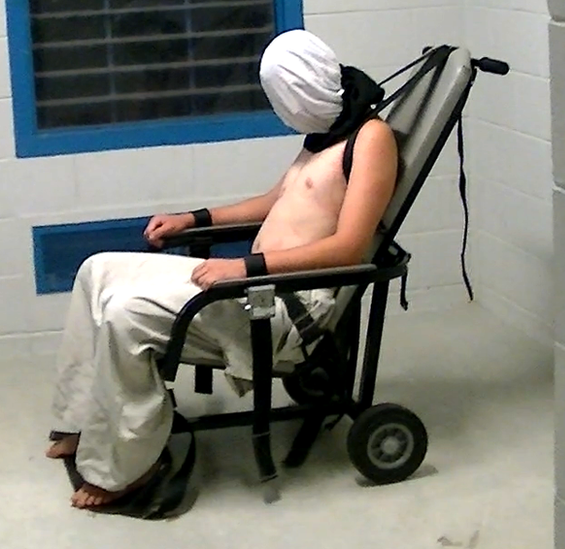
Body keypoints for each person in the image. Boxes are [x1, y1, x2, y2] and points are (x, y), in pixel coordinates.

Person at [45, 29, 400, 509]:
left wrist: (246, 266)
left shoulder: (371, 139)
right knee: (97, 270)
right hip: (253, 281)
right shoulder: (328, 134)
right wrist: (194, 219)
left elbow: (350, 249)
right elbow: (274, 202)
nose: (283, 112)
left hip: (284, 305)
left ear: (308, 88)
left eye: (285, 99)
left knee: (126, 315)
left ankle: (127, 468)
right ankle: (81, 420)